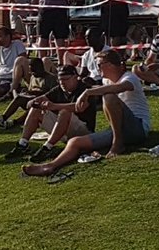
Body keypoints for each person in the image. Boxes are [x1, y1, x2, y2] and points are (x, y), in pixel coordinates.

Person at [22, 49, 150, 177]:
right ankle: (50, 166)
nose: (97, 68)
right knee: (75, 142)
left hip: (137, 128)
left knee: (108, 96)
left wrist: (87, 92)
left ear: (110, 65)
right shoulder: (106, 82)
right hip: (118, 128)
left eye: (99, 65)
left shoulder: (129, 77)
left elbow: (121, 87)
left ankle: (117, 143)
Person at [7, 63, 98, 163]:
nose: (62, 83)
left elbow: (78, 107)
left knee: (64, 112)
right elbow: (43, 97)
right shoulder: (59, 88)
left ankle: (47, 147)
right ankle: (23, 144)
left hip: (84, 132)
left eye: (66, 79)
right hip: (66, 130)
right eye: (60, 80)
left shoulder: (85, 90)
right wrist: (33, 102)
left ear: (75, 77)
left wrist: (53, 106)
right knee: (36, 110)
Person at [0, 55, 55, 129]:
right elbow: (31, 89)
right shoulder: (33, 77)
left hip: (44, 103)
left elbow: (52, 95)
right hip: (32, 98)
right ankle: (3, 118)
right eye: (31, 71)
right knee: (19, 98)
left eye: (33, 71)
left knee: (34, 105)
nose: (32, 73)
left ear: (40, 69)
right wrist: (26, 92)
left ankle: (15, 122)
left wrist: (33, 93)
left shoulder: (51, 78)